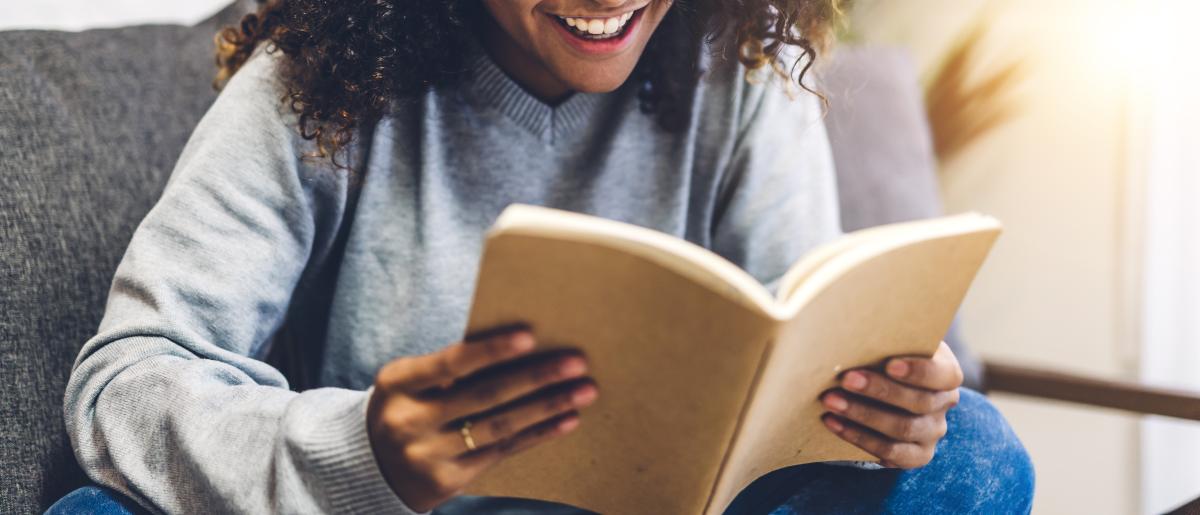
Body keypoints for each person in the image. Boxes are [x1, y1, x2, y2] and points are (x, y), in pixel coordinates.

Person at [51, 0, 1034, 513]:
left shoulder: (747, 78)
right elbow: (124, 380)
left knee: (976, 455)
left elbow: (799, 368)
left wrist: (883, 402)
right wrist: (369, 454)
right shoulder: (317, 88)